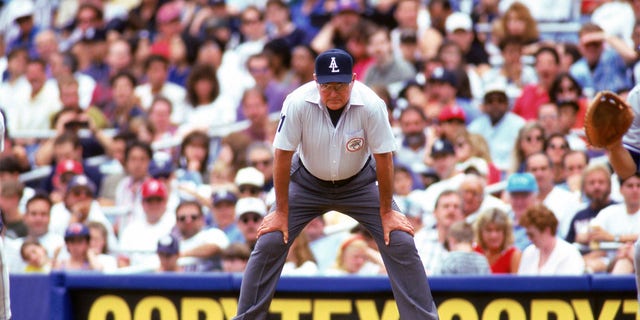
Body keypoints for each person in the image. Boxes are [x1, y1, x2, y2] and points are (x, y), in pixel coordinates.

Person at [233, 48, 438, 319]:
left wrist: (387, 212)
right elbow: (282, 156)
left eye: (340, 86)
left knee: (399, 238)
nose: (333, 93)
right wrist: (280, 212)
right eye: (327, 86)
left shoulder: (372, 104)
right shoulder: (296, 102)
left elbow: (384, 158)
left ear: (353, 80)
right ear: (316, 81)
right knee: (270, 239)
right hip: (306, 182)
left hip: (360, 182)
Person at [517, 204, 585, 275]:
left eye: (532, 235)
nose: (529, 239)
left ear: (547, 230)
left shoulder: (569, 254)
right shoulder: (528, 253)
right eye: (527, 235)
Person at [473, 208, 522, 274]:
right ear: (480, 232)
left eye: (498, 230)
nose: (493, 236)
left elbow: (518, 283)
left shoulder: (514, 255)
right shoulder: (474, 252)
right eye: (488, 230)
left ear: (505, 232)